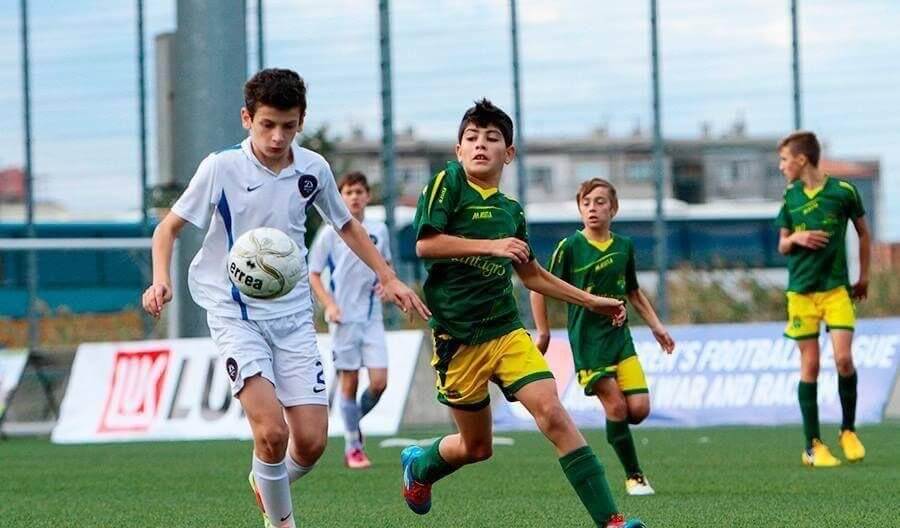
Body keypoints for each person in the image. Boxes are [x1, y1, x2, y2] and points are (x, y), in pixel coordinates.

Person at [141, 68, 429, 528]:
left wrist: (389, 277)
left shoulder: (313, 169)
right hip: (235, 312)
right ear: (247, 119)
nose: (277, 137)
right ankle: (281, 521)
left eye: (288, 126)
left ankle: (266, 482)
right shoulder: (221, 168)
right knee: (271, 433)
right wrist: (160, 280)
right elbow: (167, 229)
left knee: (311, 443)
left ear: (301, 122)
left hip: (292, 315)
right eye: (267, 125)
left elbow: (347, 225)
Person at [400, 98, 645, 528]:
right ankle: (420, 466)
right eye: (471, 137)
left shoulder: (511, 211)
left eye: (492, 138)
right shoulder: (448, 182)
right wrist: (492, 246)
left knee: (553, 413)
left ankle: (611, 521)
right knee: (477, 448)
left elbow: (532, 276)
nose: (480, 144)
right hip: (457, 340)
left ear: (508, 153)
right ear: (458, 149)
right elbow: (425, 245)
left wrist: (592, 301)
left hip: (507, 332)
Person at [530, 178, 675, 496]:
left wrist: (657, 327)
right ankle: (635, 476)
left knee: (639, 409)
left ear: (614, 208)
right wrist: (543, 331)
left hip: (620, 340)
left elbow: (633, 292)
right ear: (579, 209)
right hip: (588, 343)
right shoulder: (570, 247)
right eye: (586, 203)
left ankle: (617, 429)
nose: (592, 208)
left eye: (600, 202)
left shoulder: (624, 246)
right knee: (617, 407)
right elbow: (538, 286)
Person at [775, 131, 870, 468]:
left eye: (784, 160)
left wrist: (864, 277)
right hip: (801, 293)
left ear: (801, 159)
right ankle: (813, 446)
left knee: (843, 359)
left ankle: (848, 430)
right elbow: (782, 244)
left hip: (836, 290)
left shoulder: (843, 191)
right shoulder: (790, 197)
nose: (782, 166)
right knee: (810, 365)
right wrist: (796, 238)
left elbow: (863, 233)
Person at [309, 171, 391, 469]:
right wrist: (329, 304)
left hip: (371, 317)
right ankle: (353, 447)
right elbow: (313, 273)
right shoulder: (329, 232)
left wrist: (386, 283)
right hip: (343, 318)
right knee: (350, 381)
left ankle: (352, 421)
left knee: (379, 383)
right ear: (341, 197)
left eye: (359, 192)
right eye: (348, 192)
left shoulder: (379, 230)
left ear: (367, 196)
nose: (354, 197)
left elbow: (385, 265)